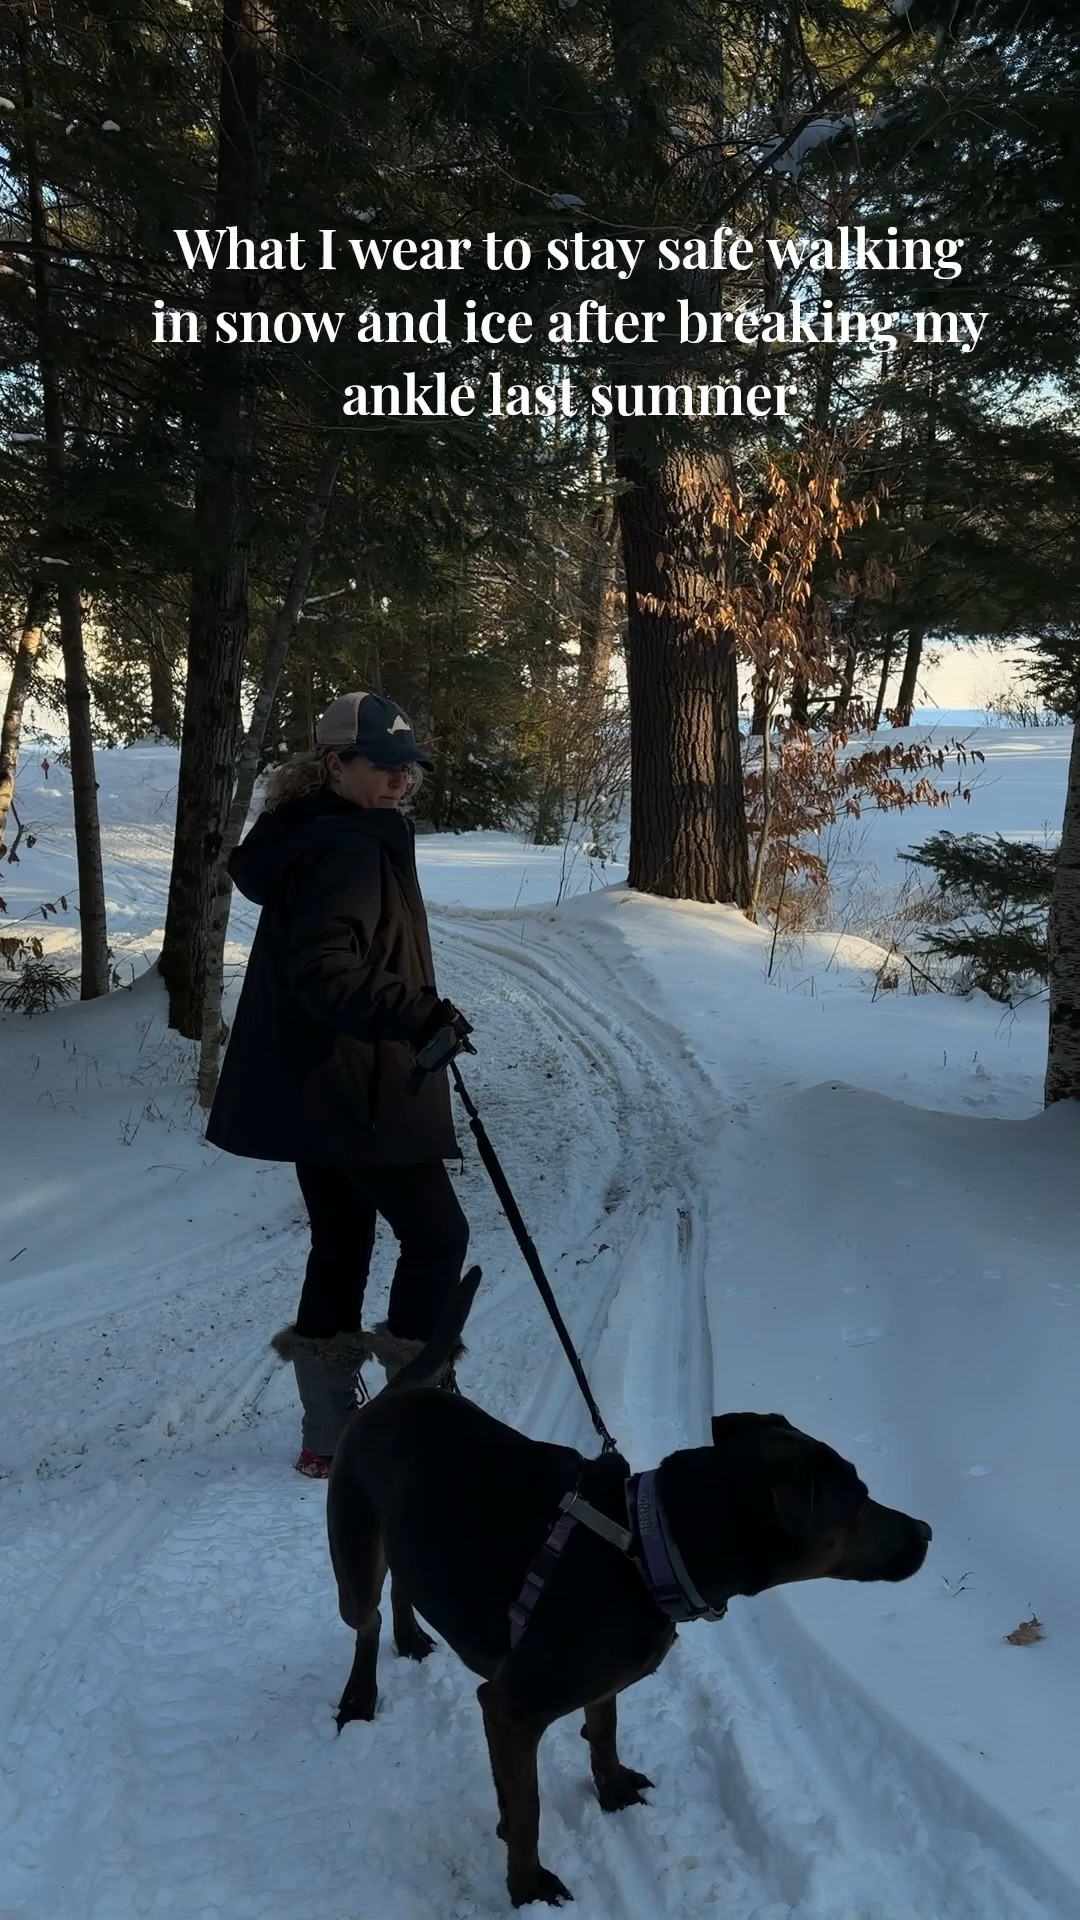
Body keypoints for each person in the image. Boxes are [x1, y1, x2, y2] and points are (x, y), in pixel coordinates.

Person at [206, 690, 473, 1477]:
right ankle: (412, 1422)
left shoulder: (309, 834)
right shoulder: (351, 847)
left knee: (343, 1237)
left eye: (406, 766)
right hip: (359, 1084)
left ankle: (328, 1433)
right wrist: (417, 1012)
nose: (398, 780)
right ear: (336, 765)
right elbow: (326, 971)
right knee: (437, 1236)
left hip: (315, 1083)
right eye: (382, 766)